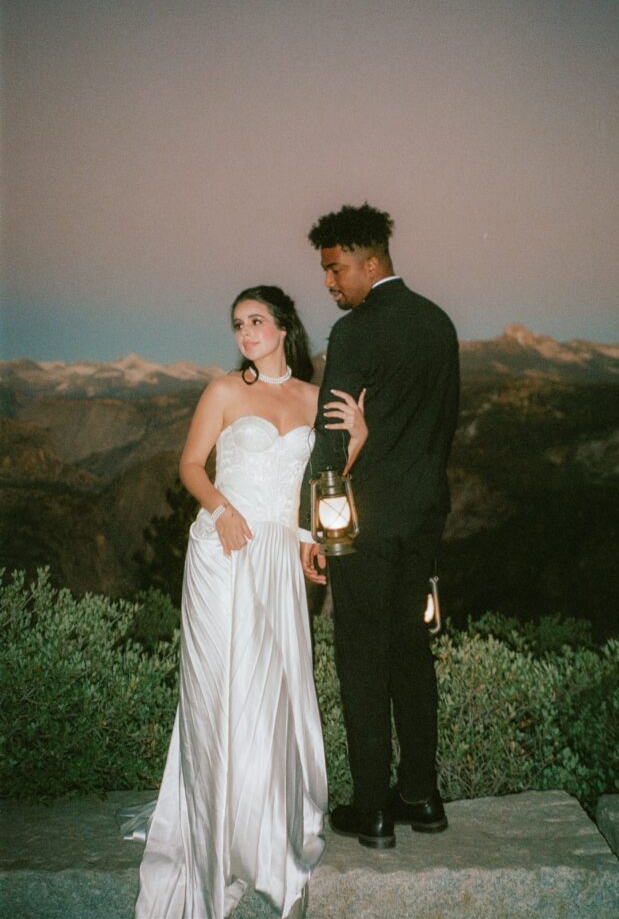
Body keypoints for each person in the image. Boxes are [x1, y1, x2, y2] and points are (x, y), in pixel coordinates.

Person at [125, 285, 367, 919]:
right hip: (224, 550)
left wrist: (355, 445)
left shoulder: (313, 398)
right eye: (238, 324)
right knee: (220, 682)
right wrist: (222, 510)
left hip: (280, 556)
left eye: (257, 321)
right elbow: (190, 465)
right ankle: (212, 823)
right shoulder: (225, 391)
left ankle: (262, 822)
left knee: (272, 687)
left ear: (284, 328)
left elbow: (321, 478)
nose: (246, 332)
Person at [300, 204, 459, 850]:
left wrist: (314, 529)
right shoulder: (438, 322)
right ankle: (421, 796)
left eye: (335, 268)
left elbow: (333, 437)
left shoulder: (355, 331)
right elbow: (440, 428)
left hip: (364, 525)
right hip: (423, 517)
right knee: (411, 652)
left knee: (362, 659)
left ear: (370, 264)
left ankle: (370, 808)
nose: (328, 282)